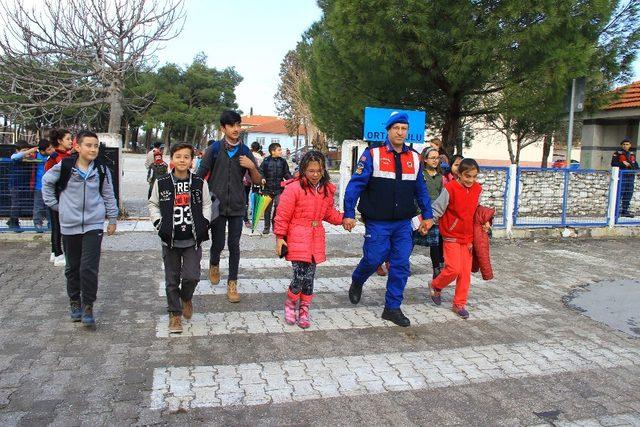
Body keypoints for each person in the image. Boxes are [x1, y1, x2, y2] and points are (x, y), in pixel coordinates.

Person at [343, 111, 433, 327]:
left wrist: (428, 216)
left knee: (401, 264)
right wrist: (348, 213)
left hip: (403, 222)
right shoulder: (372, 154)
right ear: (389, 130)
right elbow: (355, 185)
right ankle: (358, 280)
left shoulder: (414, 157)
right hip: (378, 221)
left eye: (404, 129)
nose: (400, 132)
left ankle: (392, 308)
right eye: (396, 128)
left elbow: (421, 189)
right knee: (374, 259)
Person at [42, 131, 118, 327]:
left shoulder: (101, 169)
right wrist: (57, 206)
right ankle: (74, 301)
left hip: (94, 225)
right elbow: (46, 182)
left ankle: (88, 306)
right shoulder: (65, 166)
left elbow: (109, 194)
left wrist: (112, 219)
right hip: (69, 226)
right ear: (77, 147)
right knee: (72, 268)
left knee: (89, 268)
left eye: (96, 146)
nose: (93, 149)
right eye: (88, 145)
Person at [196, 110, 262, 303]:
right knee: (218, 243)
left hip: (237, 206)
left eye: (238, 125)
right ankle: (214, 263)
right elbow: (200, 175)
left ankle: (232, 282)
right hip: (216, 206)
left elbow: (257, 181)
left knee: (234, 245)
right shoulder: (214, 149)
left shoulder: (245, 151)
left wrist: (251, 166)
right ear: (223, 128)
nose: (236, 129)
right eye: (232, 125)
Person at [274, 150, 345, 328]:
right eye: (311, 170)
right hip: (297, 238)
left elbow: (329, 213)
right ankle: (291, 304)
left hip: (315, 239)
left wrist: (344, 219)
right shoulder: (293, 188)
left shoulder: (326, 190)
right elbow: (282, 215)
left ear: (323, 171)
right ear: (304, 169)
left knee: (310, 278)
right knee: (299, 276)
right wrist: (280, 238)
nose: (315, 174)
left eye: (319, 171)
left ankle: (304, 309)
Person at [148, 143, 212, 334]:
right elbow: (153, 204)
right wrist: (158, 223)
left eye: (186, 157)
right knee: (171, 279)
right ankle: (175, 315)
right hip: (170, 239)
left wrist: (204, 222)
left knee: (192, 276)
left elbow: (207, 204)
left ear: (192, 161)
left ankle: (186, 298)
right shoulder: (162, 182)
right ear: (171, 160)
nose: (182, 160)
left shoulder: (200, 183)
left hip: (193, 239)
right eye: (178, 156)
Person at [429, 158, 490, 319]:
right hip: (451, 235)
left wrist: (486, 223)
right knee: (453, 269)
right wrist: (427, 223)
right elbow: (437, 209)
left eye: (474, 176)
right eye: (467, 176)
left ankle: (459, 304)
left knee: (464, 274)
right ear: (459, 174)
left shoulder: (478, 189)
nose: (471, 180)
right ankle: (435, 285)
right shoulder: (450, 188)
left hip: (469, 237)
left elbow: (478, 211)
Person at [414, 147, 445, 279]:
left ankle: (436, 269)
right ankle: (397, 263)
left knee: (435, 243)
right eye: (432, 158)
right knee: (411, 240)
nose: (435, 160)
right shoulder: (420, 175)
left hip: (435, 214)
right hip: (420, 212)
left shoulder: (440, 177)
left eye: (437, 158)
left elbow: (441, 195)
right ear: (425, 159)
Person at [45, 129, 74, 266]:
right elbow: (48, 178)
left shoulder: (68, 155)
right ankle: (58, 253)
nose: (70, 142)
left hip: (64, 194)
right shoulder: (54, 157)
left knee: (58, 224)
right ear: (60, 141)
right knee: (57, 225)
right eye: (68, 139)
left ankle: (54, 251)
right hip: (57, 194)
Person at [261, 142, 293, 234]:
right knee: (267, 209)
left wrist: (291, 180)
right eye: (279, 150)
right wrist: (262, 178)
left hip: (279, 189)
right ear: (272, 151)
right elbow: (261, 171)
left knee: (278, 208)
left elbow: (286, 173)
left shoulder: (283, 161)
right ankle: (266, 227)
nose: (281, 151)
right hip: (267, 189)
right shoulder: (266, 161)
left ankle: (275, 226)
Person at [7, 140, 35, 233]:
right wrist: (29, 151)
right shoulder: (15, 157)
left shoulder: (27, 159)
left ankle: (11, 220)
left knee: (19, 204)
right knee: (16, 204)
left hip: (23, 185)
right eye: (23, 150)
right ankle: (13, 223)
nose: (26, 152)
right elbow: (15, 157)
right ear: (17, 150)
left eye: (27, 150)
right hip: (14, 185)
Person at [611, 137, 639, 218]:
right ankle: (616, 211)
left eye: (627, 144)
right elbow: (613, 164)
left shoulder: (632, 154)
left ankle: (625, 211)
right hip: (621, 176)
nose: (625, 146)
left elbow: (635, 165)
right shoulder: (617, 154)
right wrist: (623, 163)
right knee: (620, 193)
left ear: (630, 145)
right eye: (623, 144)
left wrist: (637, 170)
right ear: (621, 145)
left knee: (628, 194)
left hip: (630, 176)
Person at [244, 141, 264, 227]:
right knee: (256, 195)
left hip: (246, 180)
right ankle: (254, 214)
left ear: (251, 147)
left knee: (245, 199)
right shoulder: (260, 158)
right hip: (256, 179)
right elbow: (261, 170)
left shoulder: (247, 155)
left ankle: (246, 219)